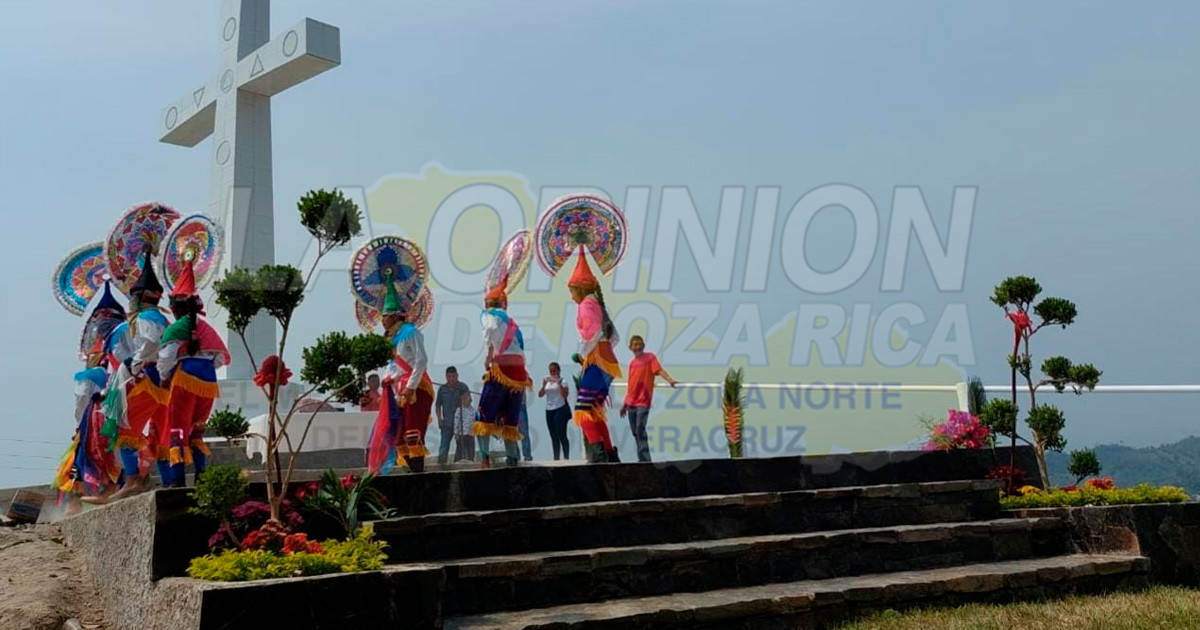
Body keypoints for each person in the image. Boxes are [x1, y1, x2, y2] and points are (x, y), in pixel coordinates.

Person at [97, 249, 171, 500]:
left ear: (138, 298)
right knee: (158, 432)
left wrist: (135, 363)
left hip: (147, 377)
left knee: (122, 427)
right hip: (161, 380)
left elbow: (150, 343)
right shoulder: (160, 317)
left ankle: (133, 480)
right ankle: (161, 480)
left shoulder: (145, 317)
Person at [157, 256, 230, 487]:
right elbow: (220, 359)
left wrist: (164, 377)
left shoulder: (175, 328)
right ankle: (201, 476)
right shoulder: (207, 328)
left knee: (177, 428)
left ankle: (178, 480)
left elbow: (165, 359)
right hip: (209, 382)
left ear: (175, 307)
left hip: (185, 380)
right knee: (197, 431)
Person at [55, 282, 125, 513]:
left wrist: (78, 426)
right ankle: (111, 493)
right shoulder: (118, 371)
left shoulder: (89, 374)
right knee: (114, 459)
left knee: (80, 460)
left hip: (93, 422)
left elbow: (81, 401)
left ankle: (74, 504)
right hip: (118, 418)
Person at [366, 269, 434, 474]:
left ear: (394, 315)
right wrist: (389, 386)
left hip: (417, 389)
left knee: (413, 433)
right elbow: (392, 368)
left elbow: (421, 360)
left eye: (385, 316)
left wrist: (410, 388)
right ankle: (411, 474)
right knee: (398, 435)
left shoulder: (410, 332)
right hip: (399, 390)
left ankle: (419, 475)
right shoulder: (390, 340)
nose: (382, 320)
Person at [566, 246, 623, 463]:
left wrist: (584, 354)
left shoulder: (586, 305)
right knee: (595, 410)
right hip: (607, 363)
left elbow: (593, 333)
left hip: (597, 362)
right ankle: (609, 453)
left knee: (581, 409)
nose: (571, 297)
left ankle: (599, 454)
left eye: (572, 291)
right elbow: (613, 337)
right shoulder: (598, 304)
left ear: (580, 289)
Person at [474, 279, 532, 468]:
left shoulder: (488, 314)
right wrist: (489, 355)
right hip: (519, 374)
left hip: (502, 370)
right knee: (510, 419)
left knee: (482, 416)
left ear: (488, 303)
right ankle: (513, 458)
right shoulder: (513, 323)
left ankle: (484, 458)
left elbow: (490, 329)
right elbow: (521, 348)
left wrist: (489, 354)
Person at [619, 335, 678, 462]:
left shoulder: (650, 358)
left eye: (639, 344)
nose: (637, 347)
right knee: (635, 431)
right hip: (631, 403)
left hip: (643, 401)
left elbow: (659, 370)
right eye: (634, 344)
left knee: (640, 428)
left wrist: (670, 380)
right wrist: (625, 404)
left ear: (643, 346)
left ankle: (645, 460)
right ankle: (641, 458)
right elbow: (630, 385)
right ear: (630, 347)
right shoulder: (632, 364)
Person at [435, 366, 470, 465]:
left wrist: (464, 397)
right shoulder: (442, 389)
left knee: (461, 446)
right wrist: (439, 419)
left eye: (453, 376)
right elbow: (438, 405)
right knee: (444, 445)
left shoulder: (462, 387)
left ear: (457, 375)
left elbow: (468, 403)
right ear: (446, 377)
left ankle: (457, 464)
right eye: (449, 376)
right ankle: (441, 465)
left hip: (460, 424)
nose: (451, 378)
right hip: (447, 423)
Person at [538, 362, 572, 460]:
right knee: (553, 435)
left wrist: (558, 383)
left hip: (560, 408)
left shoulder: (563, 381)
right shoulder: (548, 381)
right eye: (551, 371)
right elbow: (540, 395)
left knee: (561, 433)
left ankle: (566, 457)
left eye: (554, 371)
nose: (553, 373)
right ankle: (556, 458)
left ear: (558, 371)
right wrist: (544, 385)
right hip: (549, 410)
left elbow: (565, 395)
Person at [453, 391, 476, 462]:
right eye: (464, 399)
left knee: (471, 449)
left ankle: (471, 460)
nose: (465, 400)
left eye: (467, 398)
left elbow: (475, 421)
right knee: (460, 449)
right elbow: (456, 421)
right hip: (462, 434)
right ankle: (457, 461)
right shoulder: (459, 410)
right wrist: (456, 433)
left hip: (471, 433)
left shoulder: (473, 410)